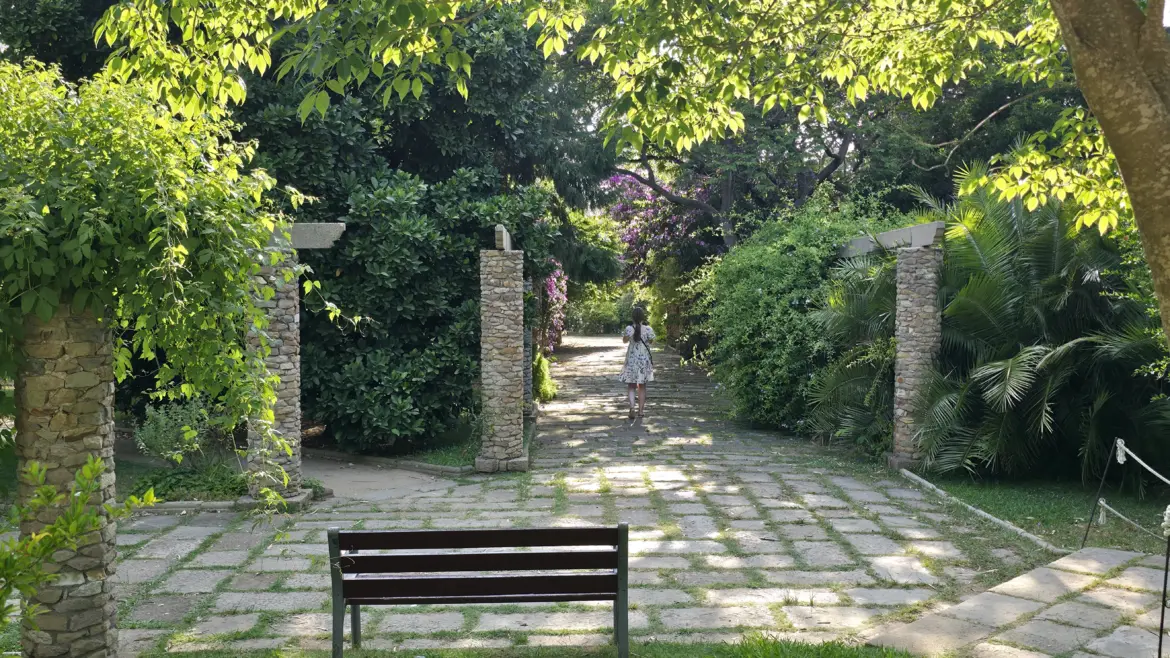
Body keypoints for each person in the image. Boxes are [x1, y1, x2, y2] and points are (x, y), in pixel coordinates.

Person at [619, 306, 655, 418]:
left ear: (633, 317)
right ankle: (641, 411)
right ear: (643, 317)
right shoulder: (648, 329)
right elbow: (652, 341)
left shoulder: (629, 329)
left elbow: (624, 341)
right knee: (642, 385)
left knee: (631, 385)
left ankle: (632, 407)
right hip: (644, 360)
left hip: (632, 359)